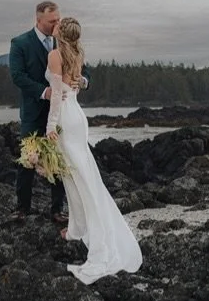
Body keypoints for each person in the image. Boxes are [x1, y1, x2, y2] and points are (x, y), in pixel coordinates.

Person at [44, 16, 143, 284]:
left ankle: (93, 235)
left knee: (79, 178)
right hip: (78, 116)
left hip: (66, 118)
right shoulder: (77, 53)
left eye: (58, 23)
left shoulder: (55, 55)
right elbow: (73, 85)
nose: (55, 24)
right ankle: (77, 228)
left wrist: (51, 126)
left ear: (61, 32)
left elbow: (57, 94)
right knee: (76, 176)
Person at [8, 0, 71, 224]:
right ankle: (22, 208)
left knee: (58, 159)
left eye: (58, 19)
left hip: (60, 113)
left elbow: (83, 68)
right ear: (38, 19)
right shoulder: (20, 43)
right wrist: (44, 92)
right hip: (33, 111)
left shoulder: (64, 42)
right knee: (28, 159)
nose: (57, 24)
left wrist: (82, 81)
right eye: (52, 21)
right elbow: (17, 76)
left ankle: (57, 210)